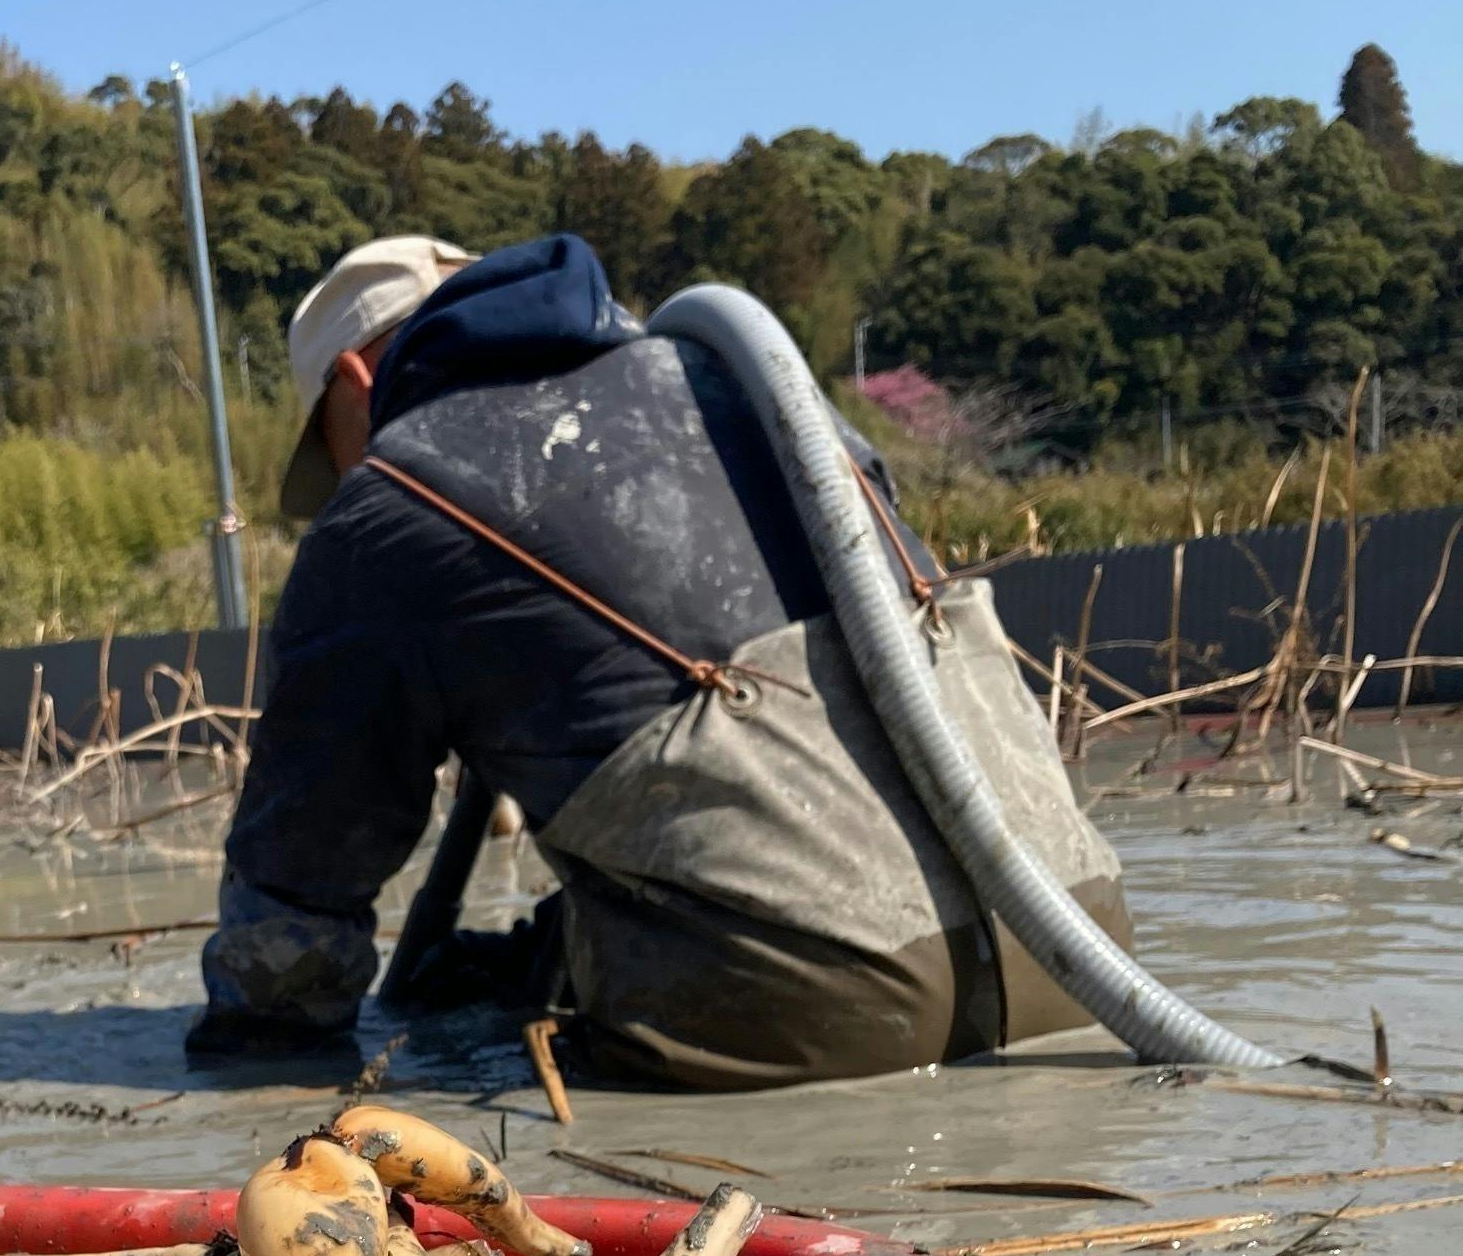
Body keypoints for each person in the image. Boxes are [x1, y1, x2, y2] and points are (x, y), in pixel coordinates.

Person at [189, 231, 1129, 1090]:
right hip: (1076, 945)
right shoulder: (749, 390)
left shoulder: (388, 505)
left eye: (331, 450)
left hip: (821, 1016)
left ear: (355, 381)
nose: (343, 480)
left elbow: (302, 876)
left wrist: (247, 1073)